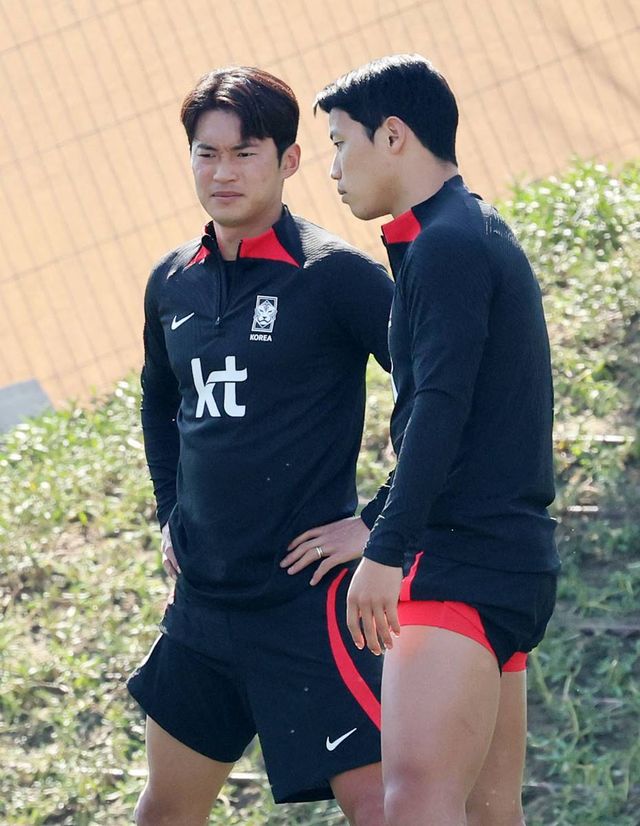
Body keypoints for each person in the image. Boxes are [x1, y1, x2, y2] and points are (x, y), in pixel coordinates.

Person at [127, 66, 394, 826]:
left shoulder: (337, 276)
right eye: (206, 154)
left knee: (385, 811)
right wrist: (170, 512)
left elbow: (441, 398)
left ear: (290, 159)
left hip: (308, 607)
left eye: (245, 153)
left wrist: (377, 523)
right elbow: (159, 402)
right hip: (205, 609)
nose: (224, 172)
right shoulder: (171, 283)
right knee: (163, 813)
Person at [310, 54, 560, 826]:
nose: (332, 170)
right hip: (506, 561)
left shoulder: (448, 244)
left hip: (457, 561)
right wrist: (377, 519)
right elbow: (468, 411)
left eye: (340, 144)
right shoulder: (466, 231)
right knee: (489, 814)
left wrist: (386, 548)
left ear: (393, 136)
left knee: (416, 801)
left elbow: (441, 409)